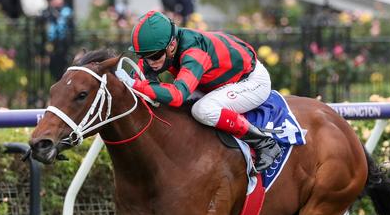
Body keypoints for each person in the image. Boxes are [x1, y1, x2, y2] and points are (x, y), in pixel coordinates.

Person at [115, 10, 281, 173]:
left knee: (202, 110)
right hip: (213, 82)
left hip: (250, 81)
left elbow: (177, 96)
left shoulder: (194, 51)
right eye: (144, 56)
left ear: (172, 46)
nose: (150, 62)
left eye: (155, 56)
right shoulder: (162, 47)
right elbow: (140, 79)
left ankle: (265, 143)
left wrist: (137, 85)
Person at [43, 0, 74, 81]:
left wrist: (55, 14)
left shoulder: (66, 11)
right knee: (52, 64)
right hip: (52, 42)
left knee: (63, 63)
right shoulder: (49, 11)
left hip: (63, 42)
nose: (55, 1)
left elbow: (66, 21)